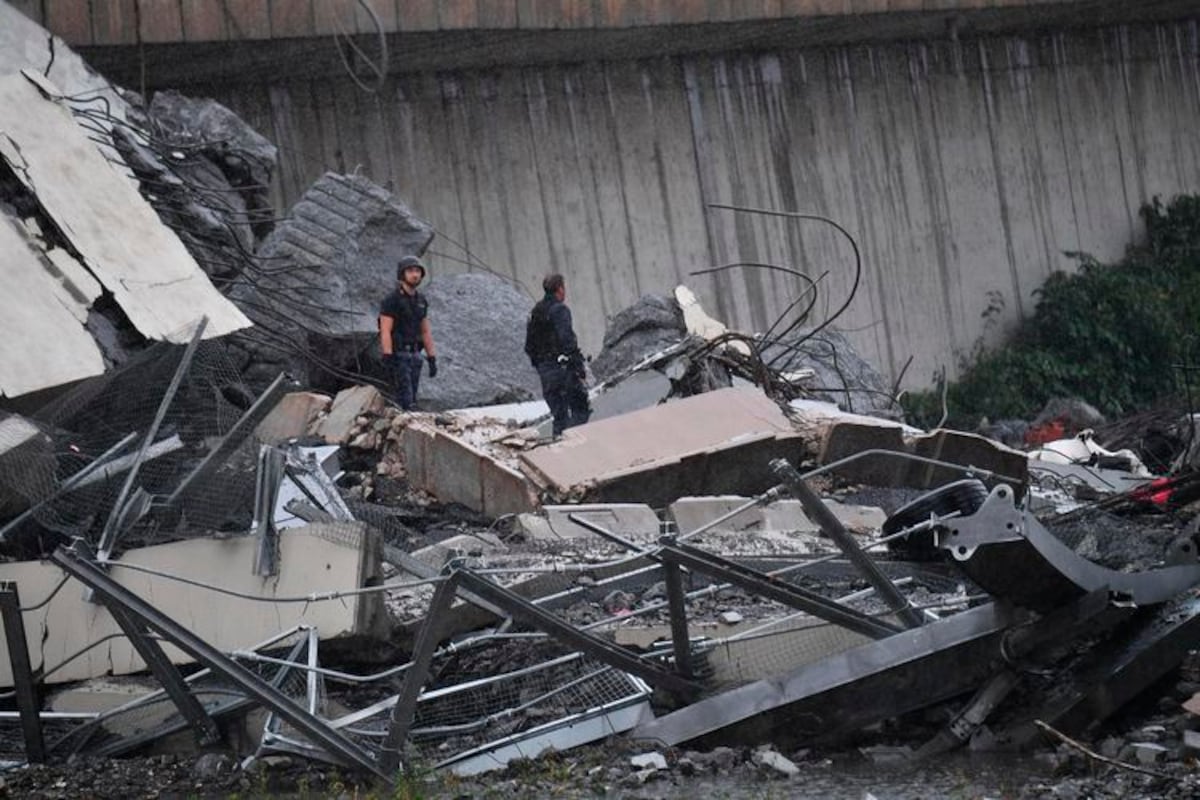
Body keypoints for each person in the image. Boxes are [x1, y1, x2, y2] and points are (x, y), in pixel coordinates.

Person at [524, 273, 590, 436]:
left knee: (559, 417)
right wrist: (578, 367)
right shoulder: (560, 310)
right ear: (560, 289)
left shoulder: (535, 312)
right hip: (562, 370)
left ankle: (559, 445)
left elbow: (529, 346)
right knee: (580, 409)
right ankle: (575, 443)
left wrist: (541, 366)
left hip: (546, 373)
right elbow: (567, 340)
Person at [379, 254, 437, 410]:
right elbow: (385, 330)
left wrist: (431, 357)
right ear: (402, 274)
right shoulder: (392, 300)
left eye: (418, 271)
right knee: (405, 398)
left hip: (415, 353)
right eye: (410, 271)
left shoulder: (421, 300)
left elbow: (425, 331)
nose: (415, 275)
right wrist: (387, 356)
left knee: (413, 394)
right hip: (399, 354)